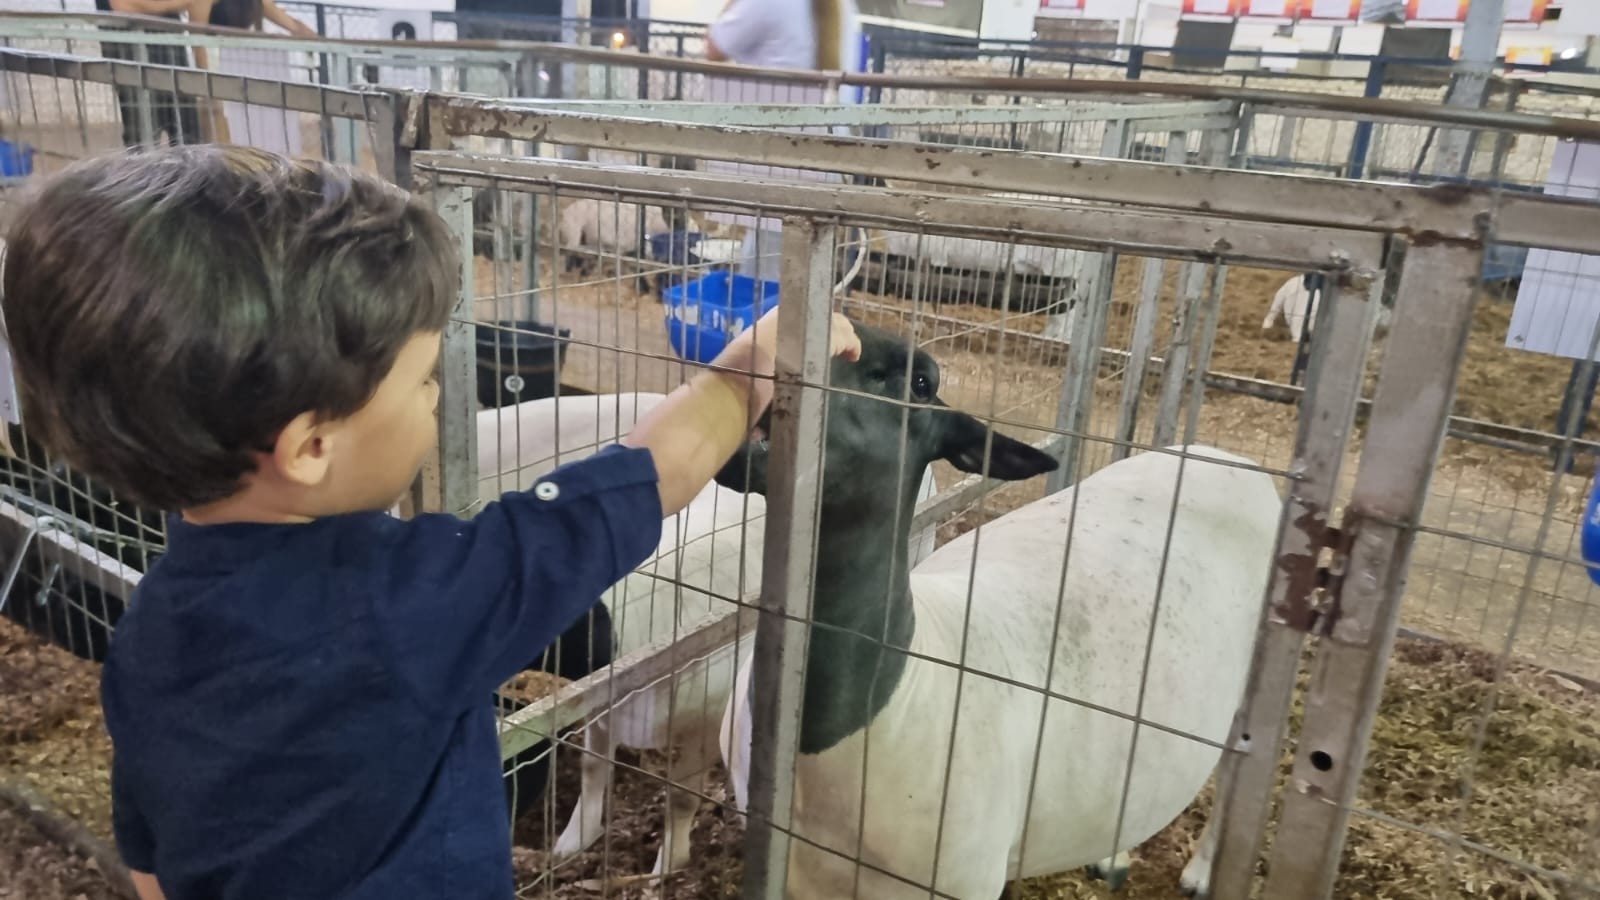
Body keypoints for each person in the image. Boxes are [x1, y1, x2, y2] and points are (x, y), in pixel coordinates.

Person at [0, 144, 860, 900]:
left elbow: (152, 858)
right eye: (419, 380)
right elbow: (647, 478)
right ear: (309, 446)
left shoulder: (150, 630)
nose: (440, 394)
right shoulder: (413, 604)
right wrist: (755, 365)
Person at [702, 0, 862, 283]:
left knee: (769, 266)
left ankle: (769, 323)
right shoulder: (842, 5)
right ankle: (794, 320)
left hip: (783, 151)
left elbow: (714, 47)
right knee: (802, 258)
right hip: (828, 148)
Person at [94, 0, 314, 147]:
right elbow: (197, 39)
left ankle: (184, 182)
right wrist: (208, 88)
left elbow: (279, 15)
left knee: (182, 119)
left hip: (159, 26)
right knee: (142, 119)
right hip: (124, 22)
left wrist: (305, 33)